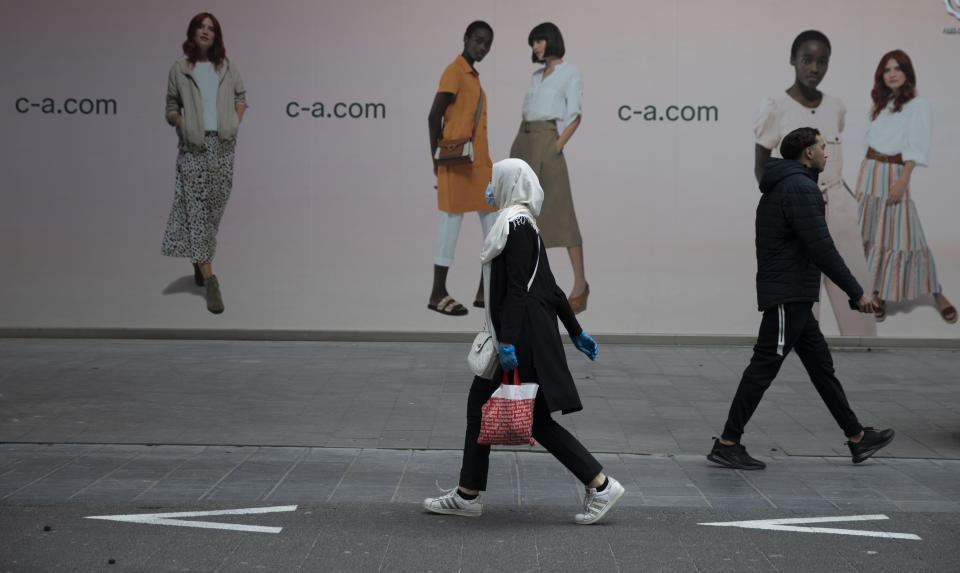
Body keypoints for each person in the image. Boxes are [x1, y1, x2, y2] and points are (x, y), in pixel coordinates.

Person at [423, 158, 624, 524]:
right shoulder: (525, 224)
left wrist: (509, 344)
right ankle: (468, 493)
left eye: (493, 180)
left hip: (523, 337)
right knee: (480, 408)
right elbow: (551, 288)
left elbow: (516, 290)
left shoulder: (513, 225)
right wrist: (575, 331)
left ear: (508, 183)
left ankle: (601, 484)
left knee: (535, 420)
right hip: (528, 332)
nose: (489, 186)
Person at [708, 128, 895, 470]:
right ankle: (727, 442)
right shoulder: (800, 188)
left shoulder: (789, 185)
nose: (828, 153)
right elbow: (822, 248)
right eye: (823, 147)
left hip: (794, 294)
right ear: (808, 153)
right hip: (788, 295)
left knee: (822, 367)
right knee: (763, 367)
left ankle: (856, 437)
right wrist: (857, 293)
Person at [754, 30, 875, 336]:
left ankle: (860, 338)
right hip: (798, 206)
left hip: (839, 206)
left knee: (854, 287)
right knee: (803, 292)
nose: (814, 68)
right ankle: (804, 341)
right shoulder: (775, 106)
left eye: (822, 62)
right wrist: (784, 206)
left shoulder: (836, 106)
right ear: (793, 60)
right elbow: (762, 168)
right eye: (807, 60)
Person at [856, 50, 956, 324]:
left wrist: (903, 180)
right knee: (874, 233)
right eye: (887, 69)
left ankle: (936, 292)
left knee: (907, 236)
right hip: (870, 172)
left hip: (895, 172)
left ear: (907, 73)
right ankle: (878, 292)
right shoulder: (878, 103)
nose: (892, 73)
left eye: (898, 68)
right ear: (881, 75)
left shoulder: (918, 105)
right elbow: (870, 140)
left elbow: (917, 146)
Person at [162, 12, 246, 314]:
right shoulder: (180, 69)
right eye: (201, 27)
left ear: (217, 35)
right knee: (195, 209)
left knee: (213, 209)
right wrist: (182, 123)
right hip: (194, 147)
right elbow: (171, 105)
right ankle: (210, 281)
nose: (206, 32)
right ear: (192, 32)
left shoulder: (228, 66)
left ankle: (199, 261)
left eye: (211, 28)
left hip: (223, 146)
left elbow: (241, 96)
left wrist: (234, 123)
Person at [509, 23, 589, 313]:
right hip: (524, 140)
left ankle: (580, 284)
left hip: (547, 140)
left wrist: (557, 146)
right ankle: (529, 281)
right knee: (522, 215)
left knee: (561, 211)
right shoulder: (535, 76)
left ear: (552, 40)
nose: (536, 46)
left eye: (540, 40)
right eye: (533, 43)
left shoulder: (570, 73)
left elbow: (575, 115)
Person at [427, 21, 498, 316]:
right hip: (456, 164)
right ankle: (438, 292)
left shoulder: (473, 77)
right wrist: (436, 161)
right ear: (466, 38)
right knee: (450, 224)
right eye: (478, 41)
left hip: (479, 165)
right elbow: (434, 116)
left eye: (487, 45)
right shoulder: (455, 71)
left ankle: (487, 289)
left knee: (495, 226)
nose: (482, 48)